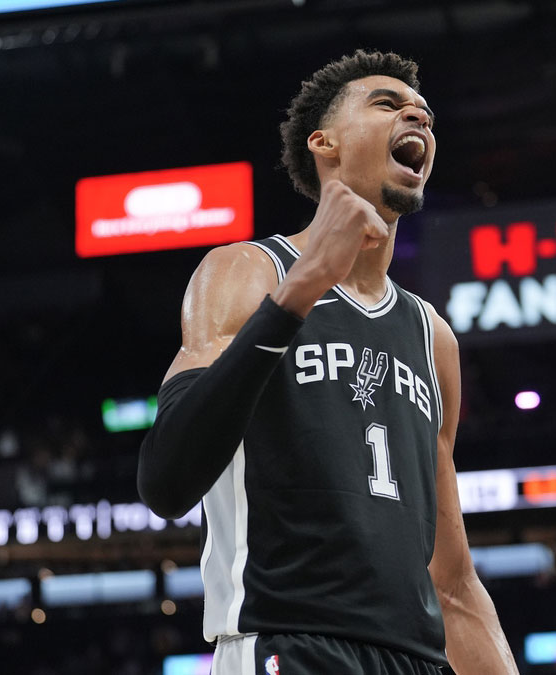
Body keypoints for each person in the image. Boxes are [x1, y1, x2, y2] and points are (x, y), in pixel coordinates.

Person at [138, 50, 517, 675]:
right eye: (388, 104)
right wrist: (305, 286)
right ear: (325, 142)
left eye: (424, 112)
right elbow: (167, 480)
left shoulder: (433, 338)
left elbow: (450, 581)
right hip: (288, 640)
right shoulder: (248, 272)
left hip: (415, 661)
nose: (418, 115)